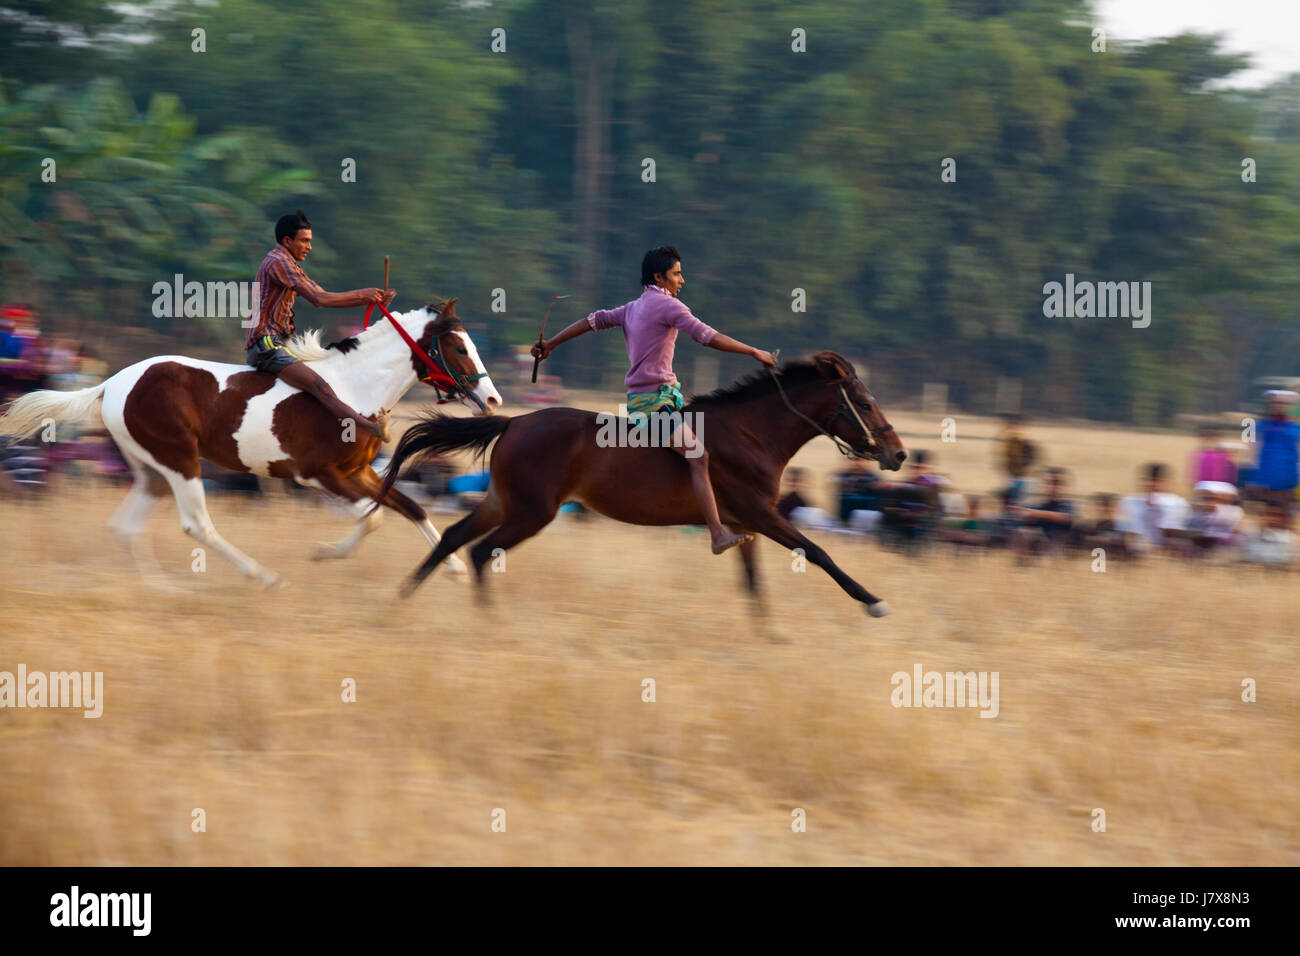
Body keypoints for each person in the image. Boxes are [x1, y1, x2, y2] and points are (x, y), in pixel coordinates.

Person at [530, 246, 775, 554]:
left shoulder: (632, 307)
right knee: (699, 458)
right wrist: (752, 351)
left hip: (654, 401)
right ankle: (717, 534)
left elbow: (593, 320)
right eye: (676, 274)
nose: (681, 280)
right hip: (654, 406)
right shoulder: (669, 307)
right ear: (659, 277)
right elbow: (707, 336)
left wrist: (552, 342)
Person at [244, 210, 395, 440]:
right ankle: (372, 429)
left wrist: (370, 297)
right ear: (287, 241)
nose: (309, 247)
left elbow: (323, 295)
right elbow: (320, 300)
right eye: (305, 241)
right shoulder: (278, 262)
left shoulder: (288, 264)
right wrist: (364, 296)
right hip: (266, 345)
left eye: (310, 241)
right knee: (320, 388)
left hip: (276, 343)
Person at [1246, 390, 1299, 516]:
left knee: (1284, 515)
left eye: (1283, 403)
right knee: (1264, 514)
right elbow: (1252, 452)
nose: (1279, 406)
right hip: (1264, 479)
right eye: (1275, 403)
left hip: (1288, 479)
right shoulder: (1258, 425)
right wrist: (1252, 479)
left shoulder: (1296, 427)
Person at [1117, 463, 1189, 554]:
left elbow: (1174, 534)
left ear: (1166, 482)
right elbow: (1125, 534)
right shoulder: (1129, 502)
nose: (1152, 484)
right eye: (1149, 480)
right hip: (1136, 551)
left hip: (1164, 552)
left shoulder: (1178, 503)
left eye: (1157, 481)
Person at [1009, 466, 1075, 557]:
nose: (1053, 487)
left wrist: (1033, 513)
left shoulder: (1069, 504)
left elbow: (1065, 517)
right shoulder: (1043, 506)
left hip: (1061, 553)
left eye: (1057, 483)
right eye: (1049, 483)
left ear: (1065, 486)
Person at [1239, 502, 1296, 568]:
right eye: (1269, 514)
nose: (1273, 519)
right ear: (1262, 517)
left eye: (1277, 515)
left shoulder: (1294, 541)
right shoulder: (1250, 537)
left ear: (1285, 519)